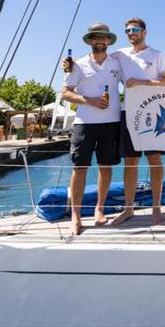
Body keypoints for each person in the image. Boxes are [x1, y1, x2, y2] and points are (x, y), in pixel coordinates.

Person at [107, 18, 165, 226]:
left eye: (135, 29)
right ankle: (128, 209)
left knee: (154, 159)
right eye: (127, 30)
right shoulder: (118, 55)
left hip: (154, 113)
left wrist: (141, 82)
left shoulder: (157, 55)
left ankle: (156, 208)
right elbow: (97, 62)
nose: (130, 32)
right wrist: (70, 65)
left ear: (144, 32)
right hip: (128, 113)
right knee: (130, 162)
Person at [61, 23, 122, 236]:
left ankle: (99, 209)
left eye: (103, 37)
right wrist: (89, 101)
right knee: (79, 169)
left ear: (109, 41)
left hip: (111, 122)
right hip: (84, 123)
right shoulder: (78, 65)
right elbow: (65, 93)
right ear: (90, 40)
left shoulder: (117, 63)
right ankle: (76, 216)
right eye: (95, 37)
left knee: (106, 167)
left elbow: (134, 81)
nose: (100, 40)